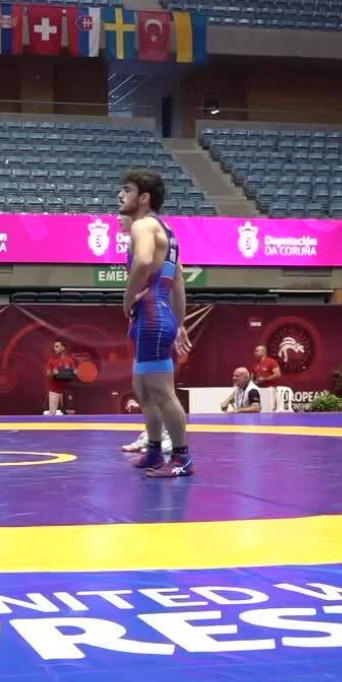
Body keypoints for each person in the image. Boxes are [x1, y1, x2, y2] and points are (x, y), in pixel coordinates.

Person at [120, 168, 193, 477]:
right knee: (144, 389)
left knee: (162, 392)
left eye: (127, 190)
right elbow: (178, 282)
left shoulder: (144, 225)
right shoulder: (167, 231)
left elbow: (143, 262)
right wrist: (180, 323)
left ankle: (182, 458)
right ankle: (153, 451)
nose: (120, 195)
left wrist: (127, 299)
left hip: (151, 317)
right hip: (157, 315)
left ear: (144, 198)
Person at [44, 340, 76, 415]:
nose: (55, 348)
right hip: (54, 390)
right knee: (52, 414)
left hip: (66, 391)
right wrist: (53, 373)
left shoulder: (70, 360)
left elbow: (74, 373)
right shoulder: (51, 360)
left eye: (57, 346)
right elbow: (48, 374)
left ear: (63, 348)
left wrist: (75, 373)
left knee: (69, 414)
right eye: (54, 347)